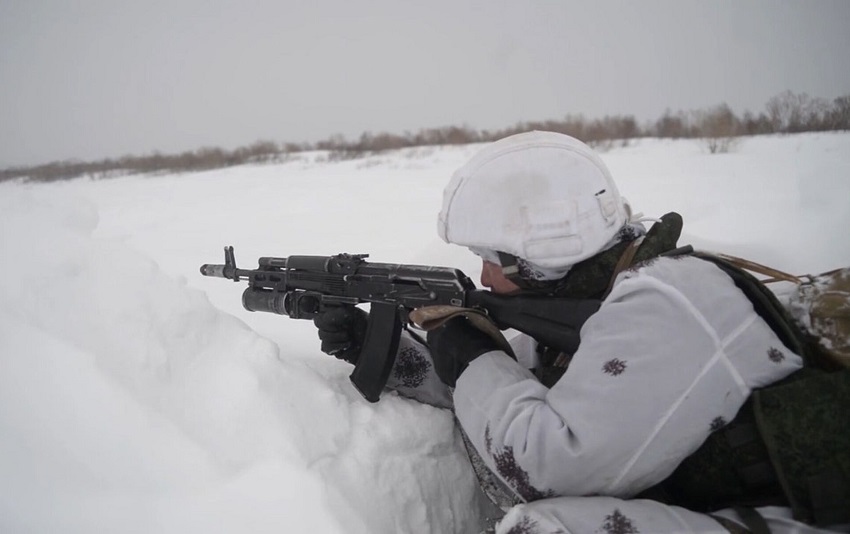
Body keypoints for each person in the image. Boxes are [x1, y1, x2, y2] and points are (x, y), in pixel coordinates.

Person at [313, 131, 849, 533]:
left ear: (540, 258)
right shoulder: (601, 298)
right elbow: (510, 391)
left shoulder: (672, 305)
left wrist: (469, 350)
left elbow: (542, 467)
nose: (483, 276)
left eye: (492, 258)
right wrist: (383, 350)